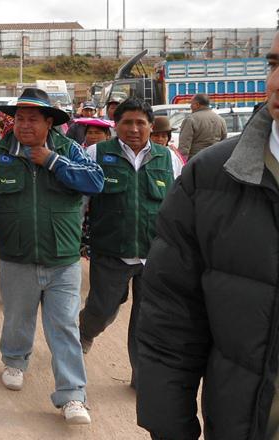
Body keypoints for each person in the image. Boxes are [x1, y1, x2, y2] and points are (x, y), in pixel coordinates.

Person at [135, 31, 279, 440]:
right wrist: (169, 427)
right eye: (273, 64)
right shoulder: (207, 179)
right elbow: (170, 319)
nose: (275, 81)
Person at [0, 87, 104, 424]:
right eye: (19, 118)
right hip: (16, 257)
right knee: (18, 317)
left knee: (64, 327)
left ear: (49, 123)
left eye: (32, 119)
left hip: (63, 259)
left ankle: (72, 395)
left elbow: (95, 182)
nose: (24, 125)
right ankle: (15, 361)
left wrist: (53, 161)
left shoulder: (70, 150)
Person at [77, 98, 183, 391]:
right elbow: (81, 201)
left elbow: (180, 205)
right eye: (127, 122)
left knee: (147, 319)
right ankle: (85, 331)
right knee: (102, 309)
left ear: (151, 126)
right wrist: (75, 239)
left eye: (140, 123)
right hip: (111, 251)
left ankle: (141, 374)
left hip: (155, 254)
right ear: (116, 125)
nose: (134, 129)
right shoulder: (96, 153)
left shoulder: (169, 158)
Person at [178, 93, 227, 160]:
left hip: (196, 159)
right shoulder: (220, 119)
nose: (190, 106)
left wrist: (182, 161)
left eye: (192, 104)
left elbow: (184, 145)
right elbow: (223, 142)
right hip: (215, 158)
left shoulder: (190, 119)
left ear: (197, 105)